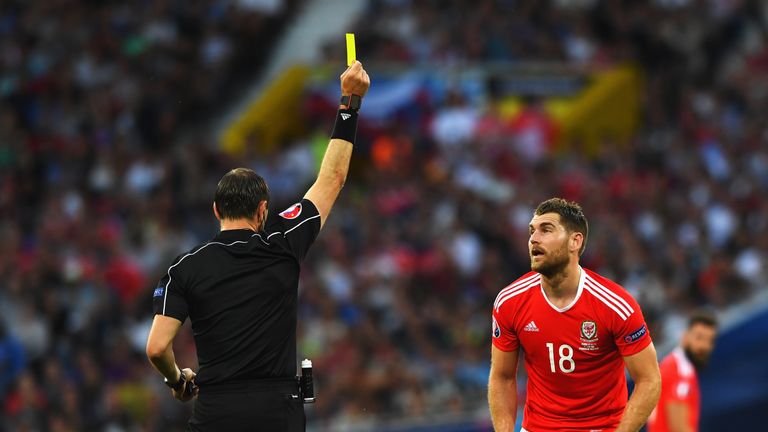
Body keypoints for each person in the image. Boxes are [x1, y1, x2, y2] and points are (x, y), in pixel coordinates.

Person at [145, 61, 370, 431]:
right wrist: (350, 103)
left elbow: (156, 348)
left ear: (216, 209)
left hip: (216, 411)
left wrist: (177, 380)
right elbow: (333, 179)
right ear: (263, 210)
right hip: (277, 410)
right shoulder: (282, 242)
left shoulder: (184, 268)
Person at [488, 198, 661, 432]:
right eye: (531, 231)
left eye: (546, 229)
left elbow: (649, 380)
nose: (533, 239)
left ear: (575, 241)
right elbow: (502, 377)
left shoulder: (615, 305)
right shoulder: (509, 301)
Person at [647, 311, 718, 432]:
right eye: (699, 338)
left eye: (709, 340)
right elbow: (678, 427)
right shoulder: (681, 373)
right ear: (685, 336)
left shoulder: (670, 364)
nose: (704, 346)